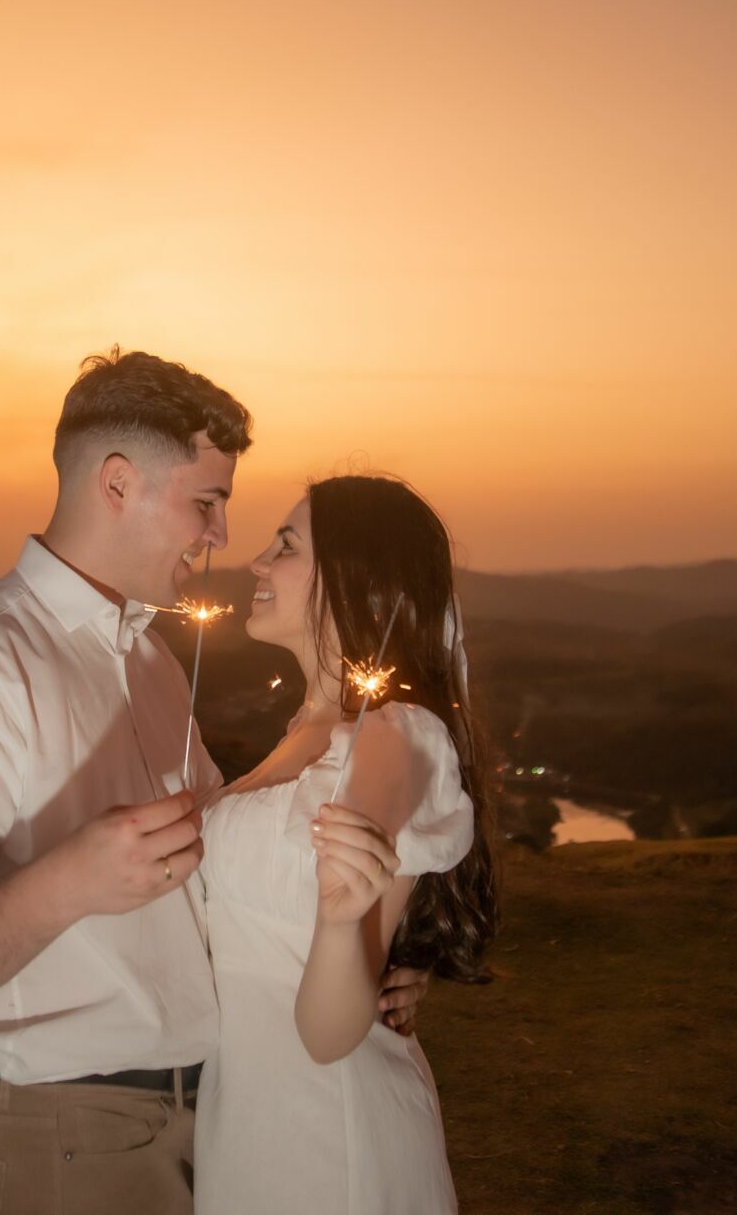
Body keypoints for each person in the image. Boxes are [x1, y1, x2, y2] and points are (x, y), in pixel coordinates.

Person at [0, 351, 430, 1214]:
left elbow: (217, 879)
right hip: (57, 1132)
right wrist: (68, 882)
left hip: (204, 1118)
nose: (221, 536)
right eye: (206, 503)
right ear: (119, 484)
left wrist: (359, 964)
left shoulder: (151, 661)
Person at [193, 475, 498, 1213]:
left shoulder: (393, 739)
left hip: (328, 1131)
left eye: (286, 547)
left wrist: (342, 922)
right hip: (248, 1116)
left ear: (360, 582)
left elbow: (329, 1036)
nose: (257, 562)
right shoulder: (301, 732)